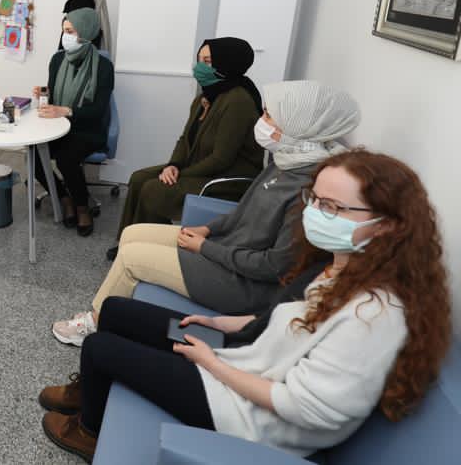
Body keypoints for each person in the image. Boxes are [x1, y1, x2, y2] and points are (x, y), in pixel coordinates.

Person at [39, 150, 452, 462]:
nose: (313, 213)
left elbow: (303, 408)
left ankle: (88, 432)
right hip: (244, 359)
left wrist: (211, 363)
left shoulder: (376, 315)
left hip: (247, 414)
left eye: (332, 207)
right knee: (117, 311)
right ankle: (89, 392)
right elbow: (292, 321)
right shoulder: (344, 266)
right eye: (314, 200)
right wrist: (225, 324)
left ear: (387, 225)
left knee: (101, 348)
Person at [53, 81, 360, 346]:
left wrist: (204, 248)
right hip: (225, 250)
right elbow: (241, 213)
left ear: (298, 126)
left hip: (242, 284)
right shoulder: (285, 161)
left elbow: (272, 267)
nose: (261, 121)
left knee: (132, 258)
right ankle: (119, 310)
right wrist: (208, 230)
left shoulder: (311, 189)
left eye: (269, 116)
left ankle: (96, 322)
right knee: (133, 234)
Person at [108, 37, 264, 261]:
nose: (200, 66)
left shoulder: (238, 101)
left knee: (155, 189)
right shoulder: (206, 97)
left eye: (207, 61)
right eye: (199, 59)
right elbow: (184, 139)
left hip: (228, 178)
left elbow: (222, 158)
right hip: (201, 166)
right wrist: (173, 165)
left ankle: (152, 248)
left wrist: (181, 173)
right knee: (139, 177)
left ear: (227, 63)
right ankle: (130, 240)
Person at [33, 7, 114, 236]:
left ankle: (82, 207)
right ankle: (63, 197)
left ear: (86, 32)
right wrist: (44, 93)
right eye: (64, 31)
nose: (65, 37)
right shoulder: (58, 59)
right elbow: (53, 95)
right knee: (34, 154)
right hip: (58, 127)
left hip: (88, 129)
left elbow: (97, 110)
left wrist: (66, 110)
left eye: (70, 31)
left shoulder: (103, 67)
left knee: (66, 158)